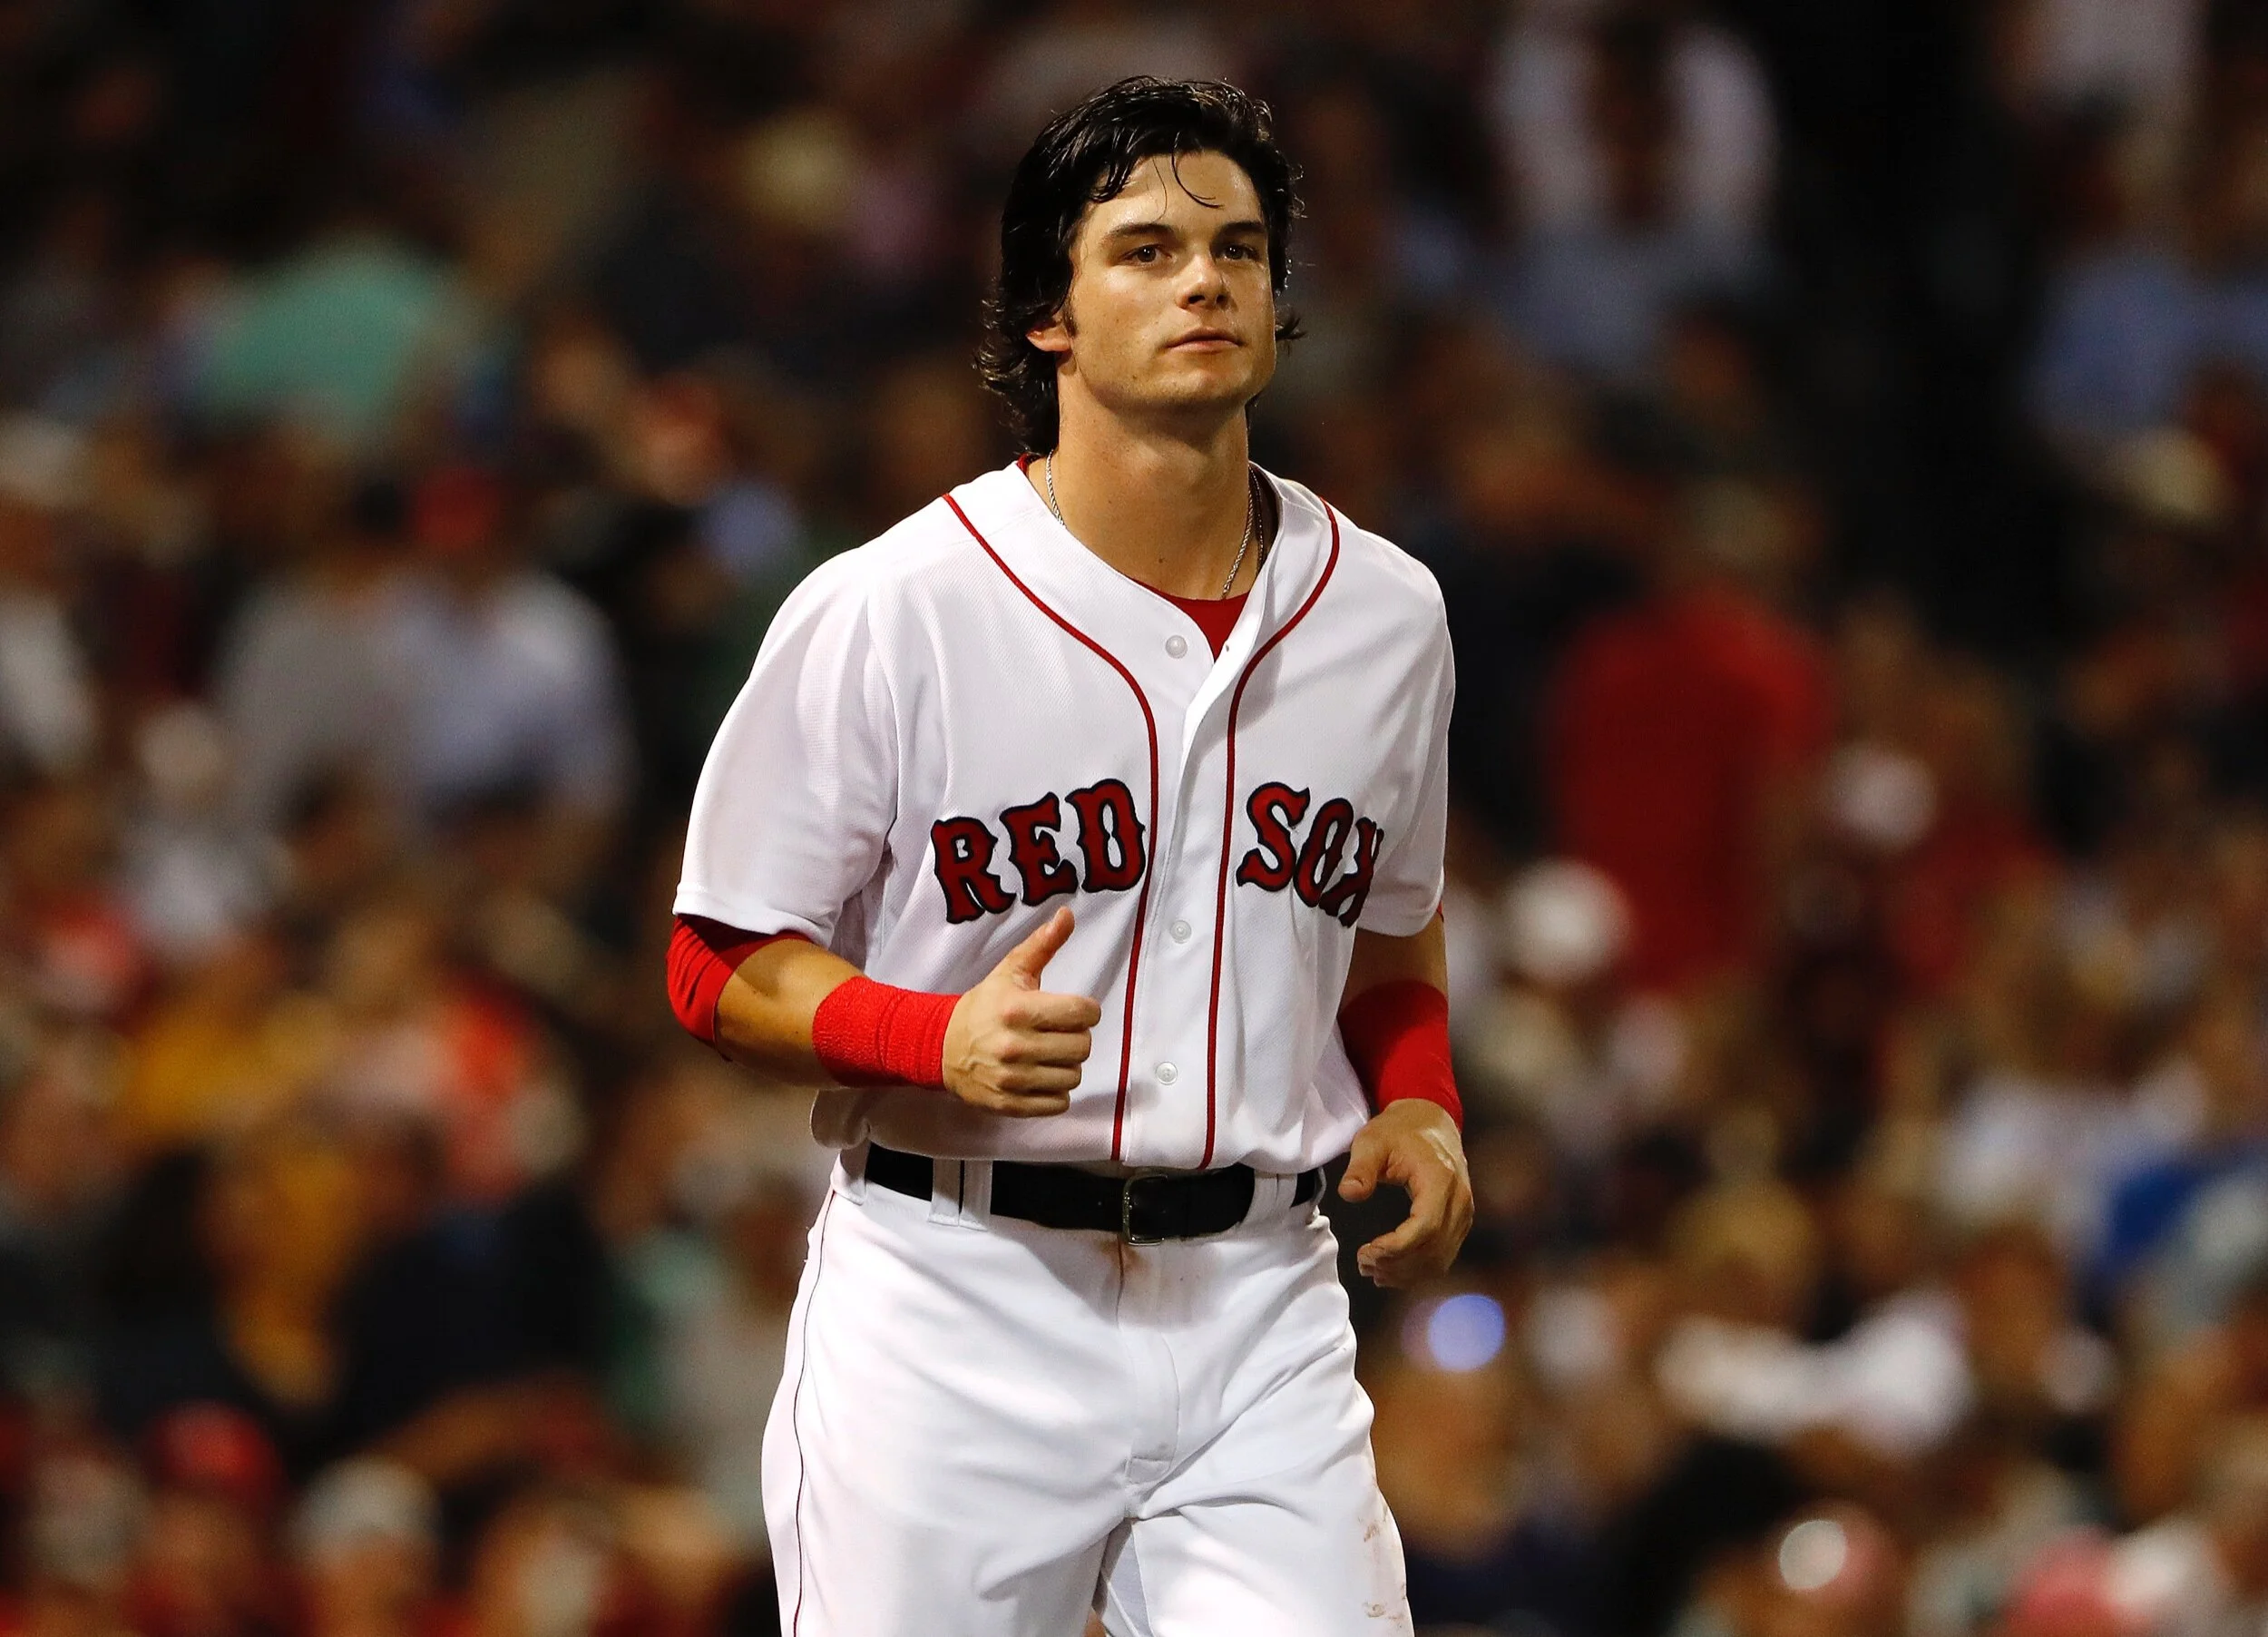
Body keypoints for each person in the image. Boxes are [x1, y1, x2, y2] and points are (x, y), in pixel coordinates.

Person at [666, 77, 1471, 1635]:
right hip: (957, 1301)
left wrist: (1423, 1099)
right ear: (1050, 314)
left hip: (1259, 1302)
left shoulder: (1387, 614)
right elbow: (715, 963)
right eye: (1147, 250)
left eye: (1238, 250)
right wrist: (929, 1037)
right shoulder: (895, 606)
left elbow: (1389, 918)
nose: (1204, 282)